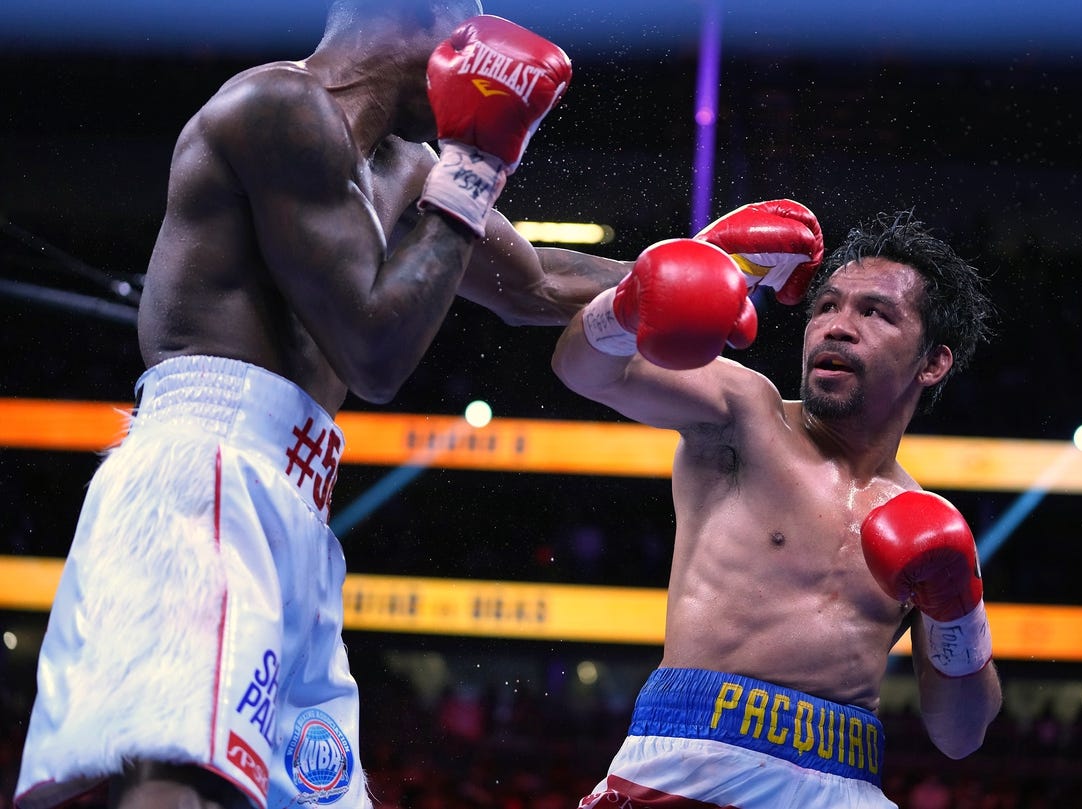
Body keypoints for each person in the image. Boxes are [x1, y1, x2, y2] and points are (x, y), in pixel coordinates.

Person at [15, 4, 629, 809]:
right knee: (180, 773)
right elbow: (372, 351)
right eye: (467, 28)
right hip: (205, 473)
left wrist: (706, 268)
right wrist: (476, 163)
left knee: (308, 796)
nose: (482, 56)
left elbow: (539, 285)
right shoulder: (278, 107)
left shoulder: (408, 167)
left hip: (296, 505)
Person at [552, 201, 1003, 809]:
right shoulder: (745, 414)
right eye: (825, 307)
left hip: (846, 783)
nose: (837, 326)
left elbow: (960, 734)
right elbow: (584, 370)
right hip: (692, 762)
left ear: (934, 361)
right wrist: (628, 304)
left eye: (876, 313)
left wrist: (958, 609)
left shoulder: (925, 522)